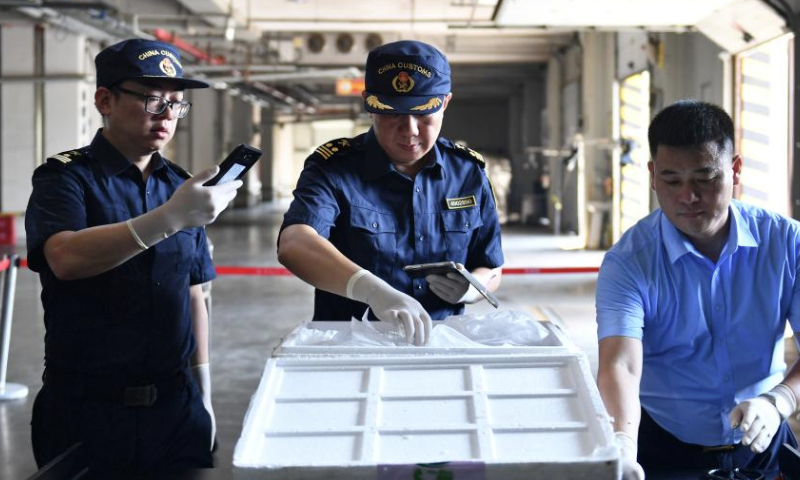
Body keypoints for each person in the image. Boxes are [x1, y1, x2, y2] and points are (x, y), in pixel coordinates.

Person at [25, 39, 242, 472]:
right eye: (152, 99)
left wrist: (204, 389)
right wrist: (169, 218)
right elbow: (65, 257)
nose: (166, 115)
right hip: (87, 412)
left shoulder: (181, 186)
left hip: (176, 409)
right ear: (105, 99)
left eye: (177, 104)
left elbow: (194, 293)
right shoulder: (66, 178)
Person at [596, 100, 800, 479]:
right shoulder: (628, 262)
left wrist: (780, 400)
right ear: (653, 176)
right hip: (666, 447)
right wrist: (622, 444)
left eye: (705, 179)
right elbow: (619, 363)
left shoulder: (787, 243)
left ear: (735, 169)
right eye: (672, 181)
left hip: (764, 439)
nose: (688, 197)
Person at [277, 40, 504, 345]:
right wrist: (371, 290)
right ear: (369, 104)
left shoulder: (468, 173)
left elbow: (491, 263)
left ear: (445, 103)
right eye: (391, 112)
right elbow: (294, 243)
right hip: (351, 347)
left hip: (443, 345)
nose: (409, 129)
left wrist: (475, 288)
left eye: (423, 112)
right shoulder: (334, 168)